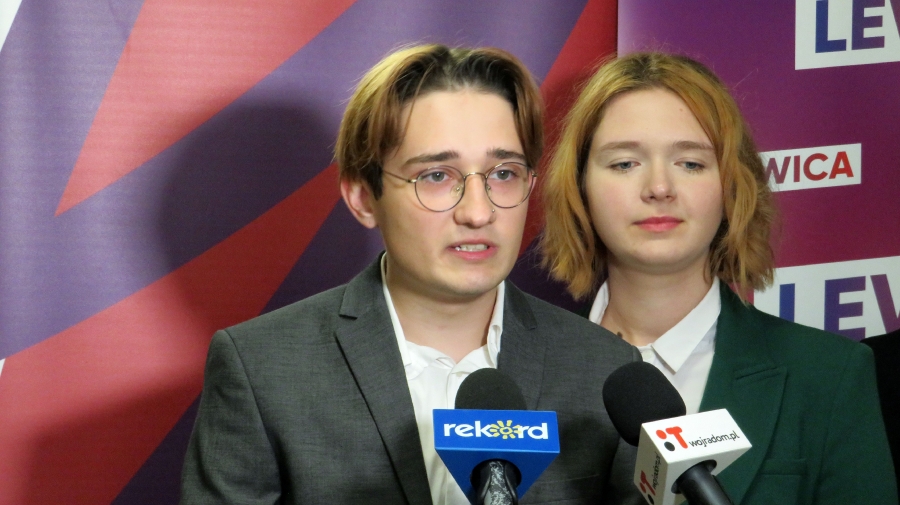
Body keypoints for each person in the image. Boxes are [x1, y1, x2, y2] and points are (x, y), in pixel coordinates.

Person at [180, 44, 643, 505]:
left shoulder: (605, 370)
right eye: (437, 176)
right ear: (364, 198)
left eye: (503, 174)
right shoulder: (263, 368)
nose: (478, 212)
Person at [541, 52, 898, 504]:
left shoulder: (829, 376)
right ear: (579, 185)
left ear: (732, 184)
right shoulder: (515, 370)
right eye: (625, 163)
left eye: (690, 163)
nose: (659, 188)